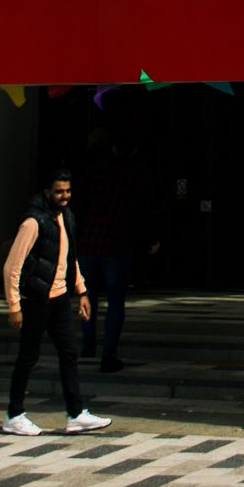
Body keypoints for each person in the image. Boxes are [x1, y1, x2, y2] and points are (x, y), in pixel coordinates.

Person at [0, 170, 110, 436]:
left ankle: (76, 413)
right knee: (28, 356)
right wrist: (14, 305)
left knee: (69, 353)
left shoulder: (67, 217)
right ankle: (14, 414)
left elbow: (70, 258)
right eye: (59, 191)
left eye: (68, 191)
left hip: (59, 297)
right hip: (36, 299)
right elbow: (11, 267)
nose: (64, 196)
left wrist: (82, 290)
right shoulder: (33, 222)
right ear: (47, 192)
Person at [73, 130, 159, 374]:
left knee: (88, 295)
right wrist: (151, 238)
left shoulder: (94, 171)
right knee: (115, 301)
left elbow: (79, 206)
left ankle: (88, 343)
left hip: (89, 242)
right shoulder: (137, 173)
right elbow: (146, 209)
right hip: (118, 244)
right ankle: (109, 354)